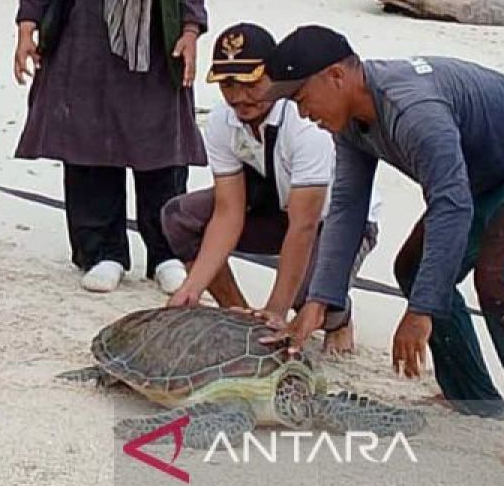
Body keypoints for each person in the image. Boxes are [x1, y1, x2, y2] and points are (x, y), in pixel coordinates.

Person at [261, 24, 504, 474]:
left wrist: (421, 311)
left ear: (335, 77)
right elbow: (347, 208)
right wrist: (319, 301)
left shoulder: (413, 111)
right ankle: (473, 397)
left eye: (300, 97)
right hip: (485, 178)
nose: (301, 113)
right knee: (413, 267)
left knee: (497, 279)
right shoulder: (350, 123)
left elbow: (451, 203)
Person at [12, 0, 209, 294]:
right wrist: (25, 28)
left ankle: (166, 252)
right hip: (83, 43)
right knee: (88, 146)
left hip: (153, 44)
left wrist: (190, 30)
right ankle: (101, 251)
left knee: (160, 149)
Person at [160, 23, 380, 354]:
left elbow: (304, 226)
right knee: (180, 216)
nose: (237, 94)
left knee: (309, 293)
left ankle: (339, 317)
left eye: (250, 81)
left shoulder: (305, 121)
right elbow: (228, 211)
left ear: (274, 77)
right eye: (227, 83)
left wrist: (278, 308)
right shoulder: (224, 120)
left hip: (336, 221)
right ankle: (240, 317)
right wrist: (191, 290)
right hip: (279, 207)